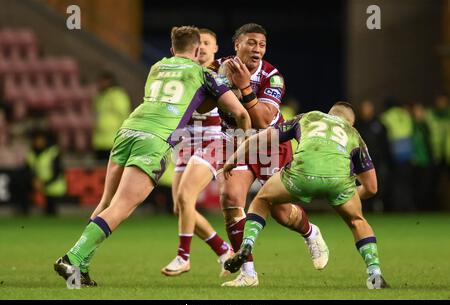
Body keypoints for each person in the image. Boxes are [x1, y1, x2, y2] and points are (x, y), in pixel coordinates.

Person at [53, 26, 251, 287]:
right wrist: (241, 150)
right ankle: (71, 258)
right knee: (122, 207)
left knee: (106, 202)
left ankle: (82, 269)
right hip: (154, 140)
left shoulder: (157, 67)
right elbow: (241, 115)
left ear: (172, 50)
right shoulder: (204, 74)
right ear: (196, 50)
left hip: (127, 130)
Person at [162, 23, 328, 287]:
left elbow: (262, 120)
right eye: (251, 43)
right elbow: (204, 106)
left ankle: (310, 232)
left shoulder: (273, 77)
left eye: (262, 45)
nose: (257, 49)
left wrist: (244, 88)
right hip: (235, 142)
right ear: (237, 44)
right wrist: (209, 86)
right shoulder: (219, 69)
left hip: (270, 144)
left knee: (282, 213)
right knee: (230, 199)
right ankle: (248, 274)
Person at [223, 102, 389, 289]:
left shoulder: (309, 117)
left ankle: (247, 245)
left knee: (262, 200)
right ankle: (375, 275)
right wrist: (346, 195)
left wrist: (233, 160)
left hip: (301, 175)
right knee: (357, 221)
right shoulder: (354, 135)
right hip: (339, 183)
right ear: (350, 122)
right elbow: (372, 187)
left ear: (330, 113)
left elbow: (260, 139)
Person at [162, 29, 235, 277]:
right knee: (180, 207)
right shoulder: (183, 71)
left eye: (207, 43)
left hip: (213, 140)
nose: (202, 47)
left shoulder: (223, 73)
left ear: (215, 48)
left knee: (186, 197)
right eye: (199, 43)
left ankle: (184, 256)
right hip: (186, 142)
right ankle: (224, 250)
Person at [92, 71, 131, 161]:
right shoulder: (100, 97)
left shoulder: (118, 95)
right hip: (99, 142)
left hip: (113, 141)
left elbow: (124, 115)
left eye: (102, 81)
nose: (100, 84)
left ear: (109, 81)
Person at [26, 129, 67, 216]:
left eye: (41, 139)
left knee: (52, 210)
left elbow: (58, 171)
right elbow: (29, 170)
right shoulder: (31, 153)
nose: (39, 142)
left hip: (54, 187)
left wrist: (44, 183)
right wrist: (34, 180)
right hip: (40, 187)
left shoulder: (53, 151)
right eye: (37, 140)